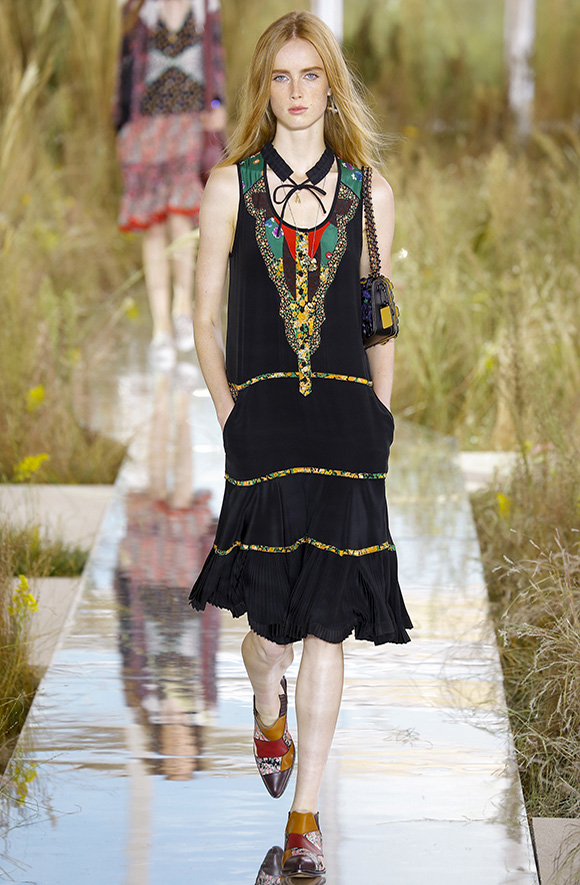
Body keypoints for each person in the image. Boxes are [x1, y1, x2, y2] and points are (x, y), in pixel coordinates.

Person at [189, 11, 412, 877]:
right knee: (271, 632)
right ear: (264, 87)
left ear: (331, 85)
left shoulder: (369, 190)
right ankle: (263, 692)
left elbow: (378, 316)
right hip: (265, 426)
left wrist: (381, 413)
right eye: (280, 76)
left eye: (310, 74)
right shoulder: (230, 186)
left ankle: (306, 818)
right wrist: (228, 412)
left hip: (348, 427)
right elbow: (202, 316)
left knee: (328, 626)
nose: (295, 91)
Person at [115, 0, 226, 364]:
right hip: (146, 130)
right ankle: (161, 327)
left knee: (181, 216)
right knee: (153, 227)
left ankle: (181, 307)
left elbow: (215, 61)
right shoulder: (136, 8)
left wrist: (217, 105)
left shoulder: (205, 7)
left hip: (189, 126)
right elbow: (125, 68)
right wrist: (121, 126)